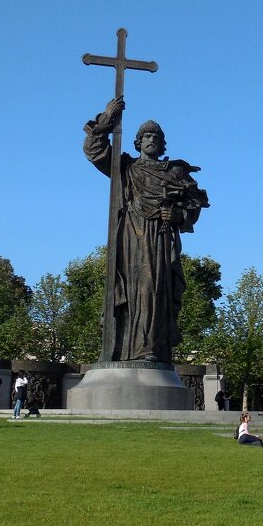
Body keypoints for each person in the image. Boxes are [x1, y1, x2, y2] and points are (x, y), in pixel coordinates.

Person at [84, 96, 210, 363]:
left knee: (153, 289)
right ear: (138, 142)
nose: (151, 139)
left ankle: (149, 347)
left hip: (160, 237)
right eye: (146, 135)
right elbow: (94, 150)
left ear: (162, 143)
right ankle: (123, 350)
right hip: (131, 234)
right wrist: (108, 118)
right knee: (131, 291)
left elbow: (195, 204)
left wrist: (176, 214)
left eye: (155, 136)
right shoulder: (126, 168)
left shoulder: (173, 172)